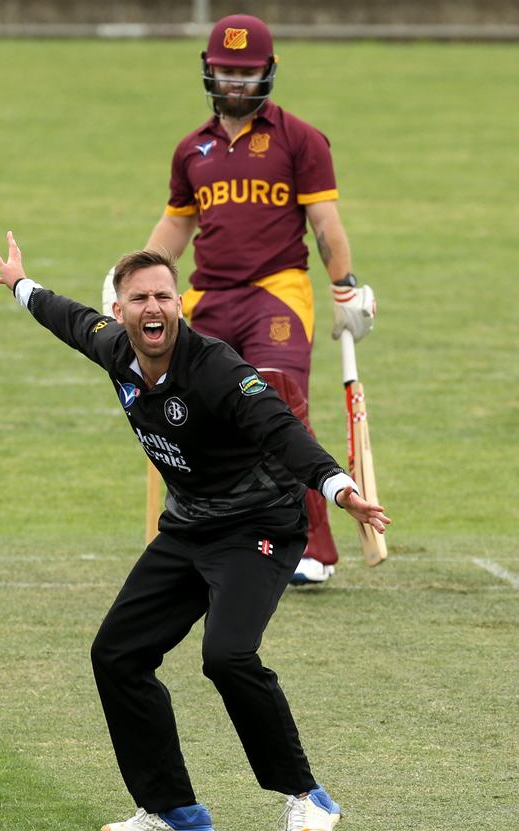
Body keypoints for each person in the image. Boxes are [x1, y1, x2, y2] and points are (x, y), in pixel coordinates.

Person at [0, 231, 390, 831]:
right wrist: (21, 285)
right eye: (139, 300)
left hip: (258, 526)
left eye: (164, 297)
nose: (154, 309)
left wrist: (339, 488)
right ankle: (173, 809)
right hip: (190, 525)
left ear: (179, 304)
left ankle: (307, 799)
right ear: (119, 312)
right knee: (117, 654)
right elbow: (65, 318)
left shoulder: (219, 369)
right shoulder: (113, 347)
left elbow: (281, 429)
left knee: (227, 656)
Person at [103, 13, 377, 586]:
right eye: (226, 71)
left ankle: (312, 551)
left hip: (276, 292)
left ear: (268, 72)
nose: (235, 82)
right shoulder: (191, 149)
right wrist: (128, 279)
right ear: (208, 71)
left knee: (275, 405)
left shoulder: (301, 139)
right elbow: (176, 228)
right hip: (204, 296)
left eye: (246, 72)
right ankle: (211, 535)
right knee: (198, 412)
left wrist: (345, 287)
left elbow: (325, 223)